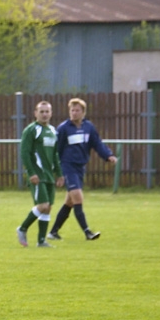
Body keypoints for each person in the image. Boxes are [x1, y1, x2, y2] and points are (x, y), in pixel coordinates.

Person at [48, 98, 117, 241]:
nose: (74, 113)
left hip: (80, 168)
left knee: (70, 202)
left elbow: (97, 144)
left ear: (83, 112)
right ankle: (87, 232)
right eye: (72, 110)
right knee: (78, 198)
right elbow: (56, 150)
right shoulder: (63, 128)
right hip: (68, 167)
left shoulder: (88, 127)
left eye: (77, 110)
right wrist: (57, 170)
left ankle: (53, 232)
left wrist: (108, 155)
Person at [16, 101, 64, 248]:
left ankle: (41, 241)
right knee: (42, 205)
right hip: (37, 174)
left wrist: (59, 174)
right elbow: (25, 153)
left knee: (48, 207)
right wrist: (31, 172)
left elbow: (55, 154)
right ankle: (22, 228)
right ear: (35, 113)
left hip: (49, 175)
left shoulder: (52, 130)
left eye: (47, 111)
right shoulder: (31, 130)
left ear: (51, 113)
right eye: (41, 111)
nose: (44, 114)